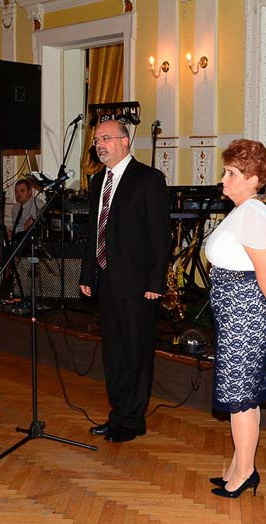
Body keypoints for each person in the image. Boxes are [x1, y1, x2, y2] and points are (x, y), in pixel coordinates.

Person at [204, 139, 266, 499]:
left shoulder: (254, 213)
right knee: (246, 395)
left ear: (253, 179)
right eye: (225, 172)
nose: (223, 179)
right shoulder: (243, 211)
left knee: (239, 394)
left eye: (231, 174)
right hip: (235, 310)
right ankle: (240, 466)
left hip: (245, 310)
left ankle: (243, 474)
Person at [79, 119, 170, 444]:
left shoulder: (148, 179)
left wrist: (156, 282)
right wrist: (87, 273)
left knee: (136, 352)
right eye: (96, 140)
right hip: (106, 280)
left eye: (106, 138)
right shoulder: (97, 181)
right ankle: (118, 415)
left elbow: (160, 235)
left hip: (138, 284)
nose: (100, 145)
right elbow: (94, 231)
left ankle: (133, 420)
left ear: (124, 141)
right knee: (114, 353)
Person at [8, 178, 44, 243]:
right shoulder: (16, 207)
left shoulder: (37, 204)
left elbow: (29, 228)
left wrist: (16, 231)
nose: (19, 194)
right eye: (16, 192)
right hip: (18, 239)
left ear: (30, 192)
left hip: (32, 241)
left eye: (22, 191)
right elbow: (16, 226)